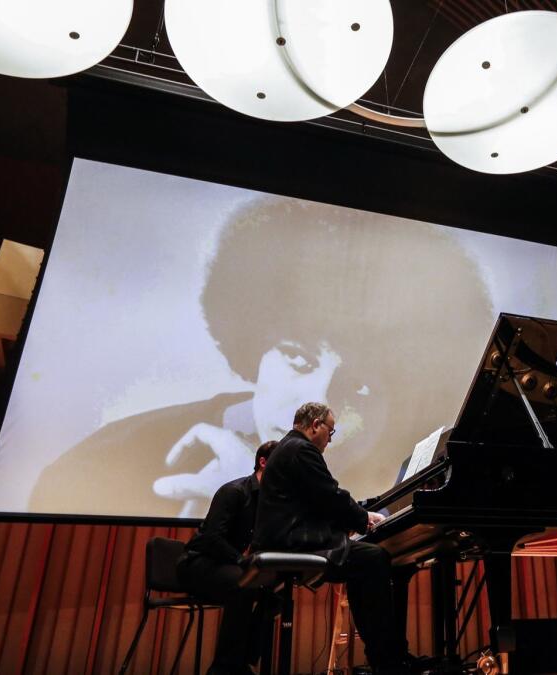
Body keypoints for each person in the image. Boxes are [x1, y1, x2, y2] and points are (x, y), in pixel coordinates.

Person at [28, 196, 493, 518]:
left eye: (358, 386)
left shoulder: (415, 474)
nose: (316, 402)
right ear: (254, 351)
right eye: (297, 358)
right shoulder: (109, 457)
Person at [253, 402, 408, 673]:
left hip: (284, 538)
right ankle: (388, 659)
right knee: (374, 558)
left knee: (364, 560)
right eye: (331, 432)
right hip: (292, 542)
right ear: (315, 426)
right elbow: (330, 495)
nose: (329, 440)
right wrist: (363, 518)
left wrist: (353, 519)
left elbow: (316, 500)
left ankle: (384, 655)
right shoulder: (302, 450)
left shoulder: (288, 448)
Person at [176, 440, 277, 675]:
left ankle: (244, 662)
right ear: (263, 462)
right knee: (244, 585)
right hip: (197, 563)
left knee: (273, 593)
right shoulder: (234, 491)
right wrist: (243, 561)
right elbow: (212, 538)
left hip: (224, 565)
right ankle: (224, 668)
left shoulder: (268, 502)